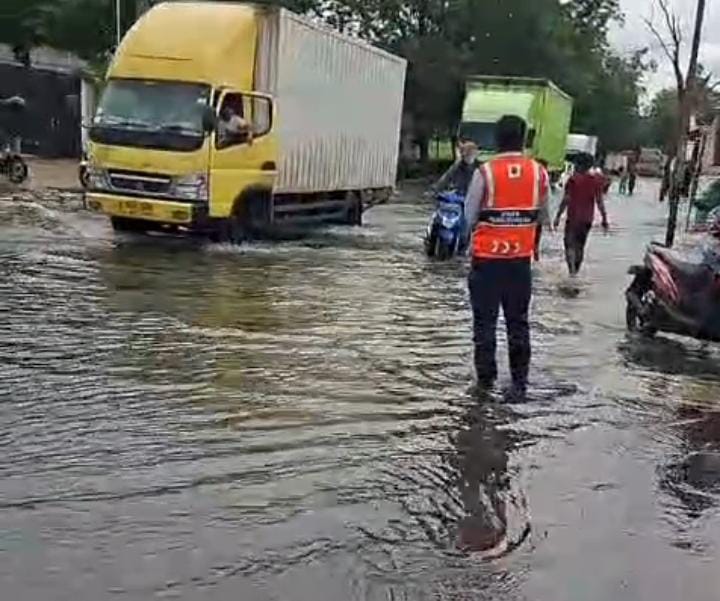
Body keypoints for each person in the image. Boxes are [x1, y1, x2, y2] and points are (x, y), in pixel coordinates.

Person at [464, 115, 551, 400]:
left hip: (486, 262)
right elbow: (544, 217)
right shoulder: (539, 173)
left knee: (484, 325)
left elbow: (468, 217)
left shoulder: (485, 172)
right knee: (518, 323)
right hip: (519, 262)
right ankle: (519, 385)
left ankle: (485, 386)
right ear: (524, 139)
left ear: (497, 139)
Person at [553, 152, 609, 276]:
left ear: (578, 165)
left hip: (573, 218)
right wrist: (604, 219)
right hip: (587, 220)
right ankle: (576, 271)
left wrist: (558, 216)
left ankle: (572, 271)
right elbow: (599, 201)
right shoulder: (596, 180)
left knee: (569, 244)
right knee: (580, 246)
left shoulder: (573, 180)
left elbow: (566, 199)